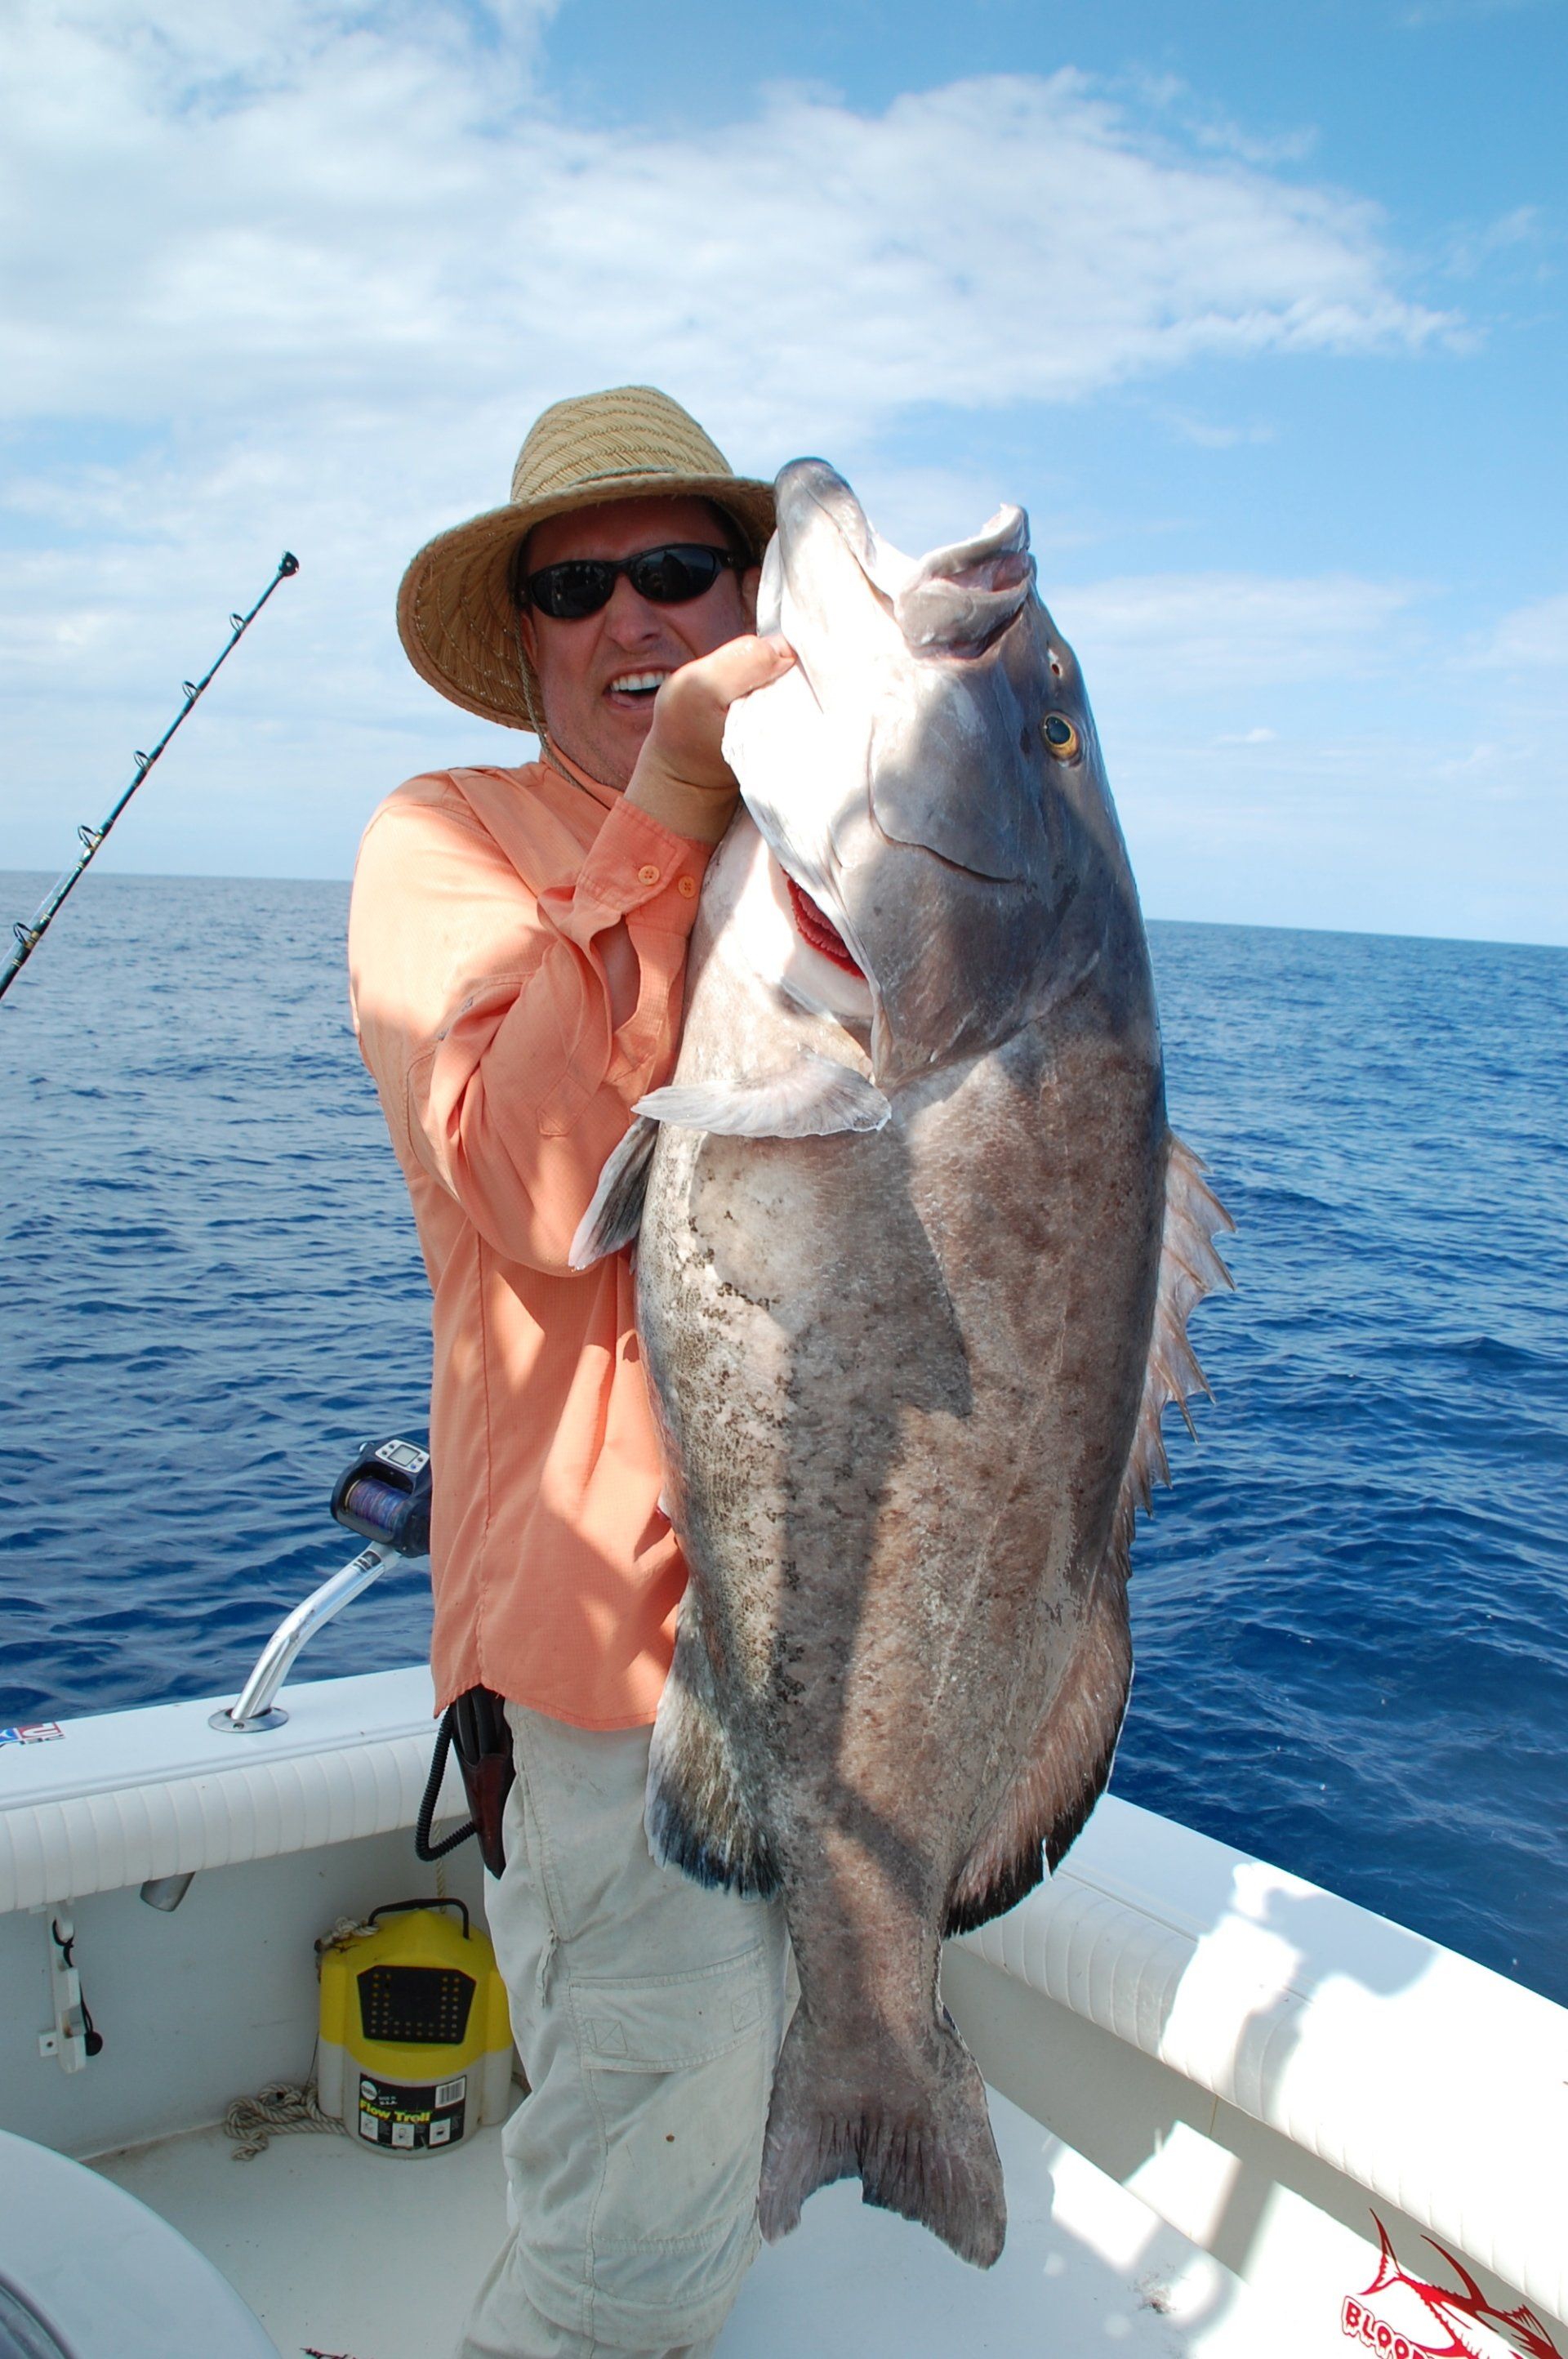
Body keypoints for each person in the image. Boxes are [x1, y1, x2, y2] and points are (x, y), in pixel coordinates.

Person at [348, 386, 796, 2359]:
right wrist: (681, 805)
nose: (634, 616)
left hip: (849, 1655)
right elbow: (536, 1183)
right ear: (525, 637)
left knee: (693, 2149)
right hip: (627, 1686)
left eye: (679, 570)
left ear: (750, 595)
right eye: (579, 584)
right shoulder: (443, 841)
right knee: (632, 2233)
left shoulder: (837, 852)